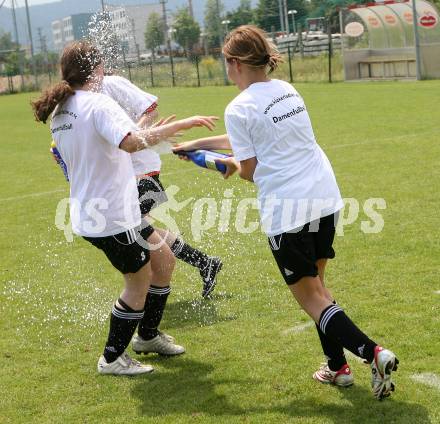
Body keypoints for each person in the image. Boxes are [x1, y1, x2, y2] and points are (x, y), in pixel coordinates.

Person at [175, 25, 399, 400]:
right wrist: (197, 144)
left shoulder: (239, 106)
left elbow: (246, 170)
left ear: (234, 62)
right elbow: (249, 139)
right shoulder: (286, 89)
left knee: (311, 297)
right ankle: (337, 368)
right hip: (325, 197)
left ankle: (372, 353)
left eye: (225, 64)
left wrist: (217, 164)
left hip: (288, 209)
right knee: (321, 291)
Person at [32, 41, 218, 375]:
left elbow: (111, 146)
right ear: (97, 69)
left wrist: (149, 132)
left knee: (164, 261)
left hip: (100, 211)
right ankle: (112, 358)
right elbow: (131, 143)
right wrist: (179, 125)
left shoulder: (62, 111)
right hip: (112, 216)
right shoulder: (97, 103)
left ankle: (147, 337)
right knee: (139, 282)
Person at [101, 75, 223, 298]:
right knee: (141, 229)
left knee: (131, 229)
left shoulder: (110, 84)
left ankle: (144, 289)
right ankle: (205, 263)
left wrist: (132, 135)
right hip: (124, 173)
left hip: (141, 169)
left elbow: (150, 109)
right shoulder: (85, 98)